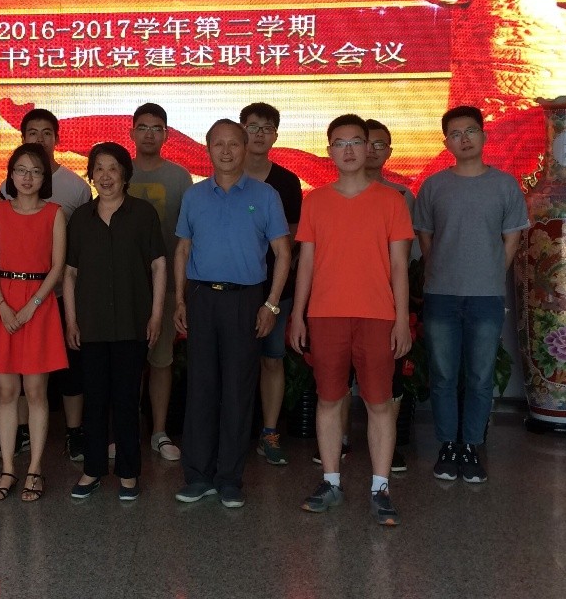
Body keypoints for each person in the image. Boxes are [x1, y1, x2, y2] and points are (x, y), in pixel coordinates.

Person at [290, 114, 413, 526]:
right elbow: (306, 264)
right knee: (329, 399)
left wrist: (401, 320)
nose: (348, 150)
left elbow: (400, 267)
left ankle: (380, 488)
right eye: (339, 143)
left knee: (379, 402)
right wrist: (298, 315)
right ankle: (331, 482)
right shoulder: (315, 201)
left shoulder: (391, 201)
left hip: (378, 315)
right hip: (325, 314)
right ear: (329, 151)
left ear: (369, 148)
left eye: (356, 142)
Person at [173, 119, 290, 509]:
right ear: (207, 149)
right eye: (218, 144)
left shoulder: (266, 195)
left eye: (233, 144)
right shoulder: (194, 196)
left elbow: (283, 253)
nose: (226, 151)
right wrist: (180, 301)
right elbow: (182, 249)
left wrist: (271, 304)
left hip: (246, 301)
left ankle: (229, 478)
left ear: (246, 147)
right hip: (202, 298)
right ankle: (198, 476)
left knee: (238, 390)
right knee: (201, 387)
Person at [413, 105, 529, 485]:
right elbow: (425, 236)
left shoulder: (505, 185)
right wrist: (439, 269)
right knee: (443, 375)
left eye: (470, 131)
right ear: (446, 142)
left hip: (486, 297)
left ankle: (471, 446)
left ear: (484, 135)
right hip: (441, 294)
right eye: (455, 134)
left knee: (480, 377)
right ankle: (448, 445)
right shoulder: (434, 186)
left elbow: (512, 239)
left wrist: (491, 274)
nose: (463, 139)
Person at [66, 143, 166, 502]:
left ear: (125, 173)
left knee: (126, 401)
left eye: (113, 168)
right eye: (99, 168)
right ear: (91, 175)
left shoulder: (143, 214)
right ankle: (92, 469)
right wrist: (71, 320)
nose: (105, 176)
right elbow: (70, 273)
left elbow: (158, 266)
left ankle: (128, 472)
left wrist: (156, 315)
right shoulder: (80, 217)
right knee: (94, 401)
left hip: (131, 322)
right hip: (90, 325)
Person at [0, 143, 68, 502]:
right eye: (21, 170)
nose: (27, 178)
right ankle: (9, 468)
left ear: (45, 177)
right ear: (11, 175)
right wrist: (1, 305)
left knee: (37, 392)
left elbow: (57, 266)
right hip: (3, 303)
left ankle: (35, 469)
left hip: (39, 305)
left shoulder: (55, 213)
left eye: (36, 171)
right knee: (7, 392)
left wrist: (32, 306)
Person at [3, 108, 92, 461]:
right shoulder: (7, 188)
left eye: (46, 133)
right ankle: (23, 431)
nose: (39, 139)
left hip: (62, 294)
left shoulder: (76, 186)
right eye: (32, 133)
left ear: (57, 139)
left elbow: (81, 243)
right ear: (22, 138)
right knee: (23, 369)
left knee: (70, 367)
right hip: (20, 297)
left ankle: (74, 432)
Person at [127, 102, 190, 462]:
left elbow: (186, 239)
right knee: (129, 361)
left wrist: (181, 291)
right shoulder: (120, 170)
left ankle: (159, 431)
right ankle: (128, 430)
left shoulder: (179, 177)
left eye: (157, 128)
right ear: (132, 132)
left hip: (164, 286)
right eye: (143, 127)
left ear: (166, 134)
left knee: (162, 360)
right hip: (125, 285)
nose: (149, 134)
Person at [240, 102, 302, 467]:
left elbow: (290, 240)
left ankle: (269, 432)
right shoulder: (227, 176)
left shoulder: (287, 182)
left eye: (267, 128)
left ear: (275, 136)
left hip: (275, 288)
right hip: (233, 288)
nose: (259, 134)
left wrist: (275, 296)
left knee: (272, 359)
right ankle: (234, 432)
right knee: (235, 362)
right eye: (252, 127)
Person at [364, 118, 418, 475]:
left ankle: (390, 444)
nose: (370, 150)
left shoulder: (401, 196)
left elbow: (405, 258)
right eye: (364, 142)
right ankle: (340, 440)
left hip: (387, 301)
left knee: (390, 377)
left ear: (389, 152)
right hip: (342, 299)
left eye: (379, 144)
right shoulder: (331, 195)